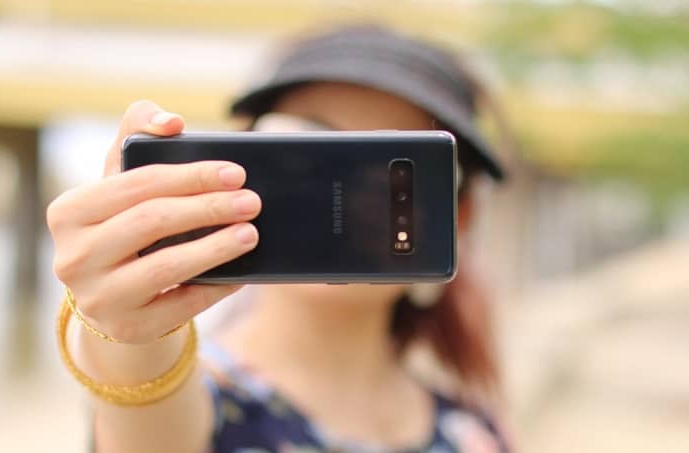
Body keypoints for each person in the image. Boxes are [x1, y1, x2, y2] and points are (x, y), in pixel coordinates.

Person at [47, 25, 511, 453]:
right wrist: (127, 336)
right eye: (310, 144)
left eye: (391, 166)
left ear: (458, 218)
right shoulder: (202, 399)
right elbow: (146, 411)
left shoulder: (475, 432)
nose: (342, 189)